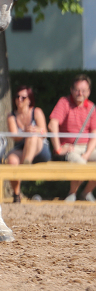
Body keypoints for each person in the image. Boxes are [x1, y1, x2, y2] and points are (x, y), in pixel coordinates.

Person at [48, 74, 96, 202]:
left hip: (87, 147)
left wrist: (87, 154)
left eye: (84, 90)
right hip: (69, 147)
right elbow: (52, 125)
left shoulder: (91, 107)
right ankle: (72, 194)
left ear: (89, 92)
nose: (80, 93)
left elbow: (94, 134)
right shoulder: (64, 102)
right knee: (80, 164)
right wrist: (58, 149)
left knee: (83, 161)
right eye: (77, 90)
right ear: (71, 90)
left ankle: (86, 192)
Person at [5, 85, 50, 203]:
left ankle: (25, 166)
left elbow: (44, 132)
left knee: (33, 136)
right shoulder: (11, 116)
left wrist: (35, 130)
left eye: (23, 97)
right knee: (11, 160)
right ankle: (16, 194)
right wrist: (25, 131)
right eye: (17, 97)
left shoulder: (37, 111)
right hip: (22, 146)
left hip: (40, 149)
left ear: (29, 99)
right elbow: (15, 137)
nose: (19, 99)